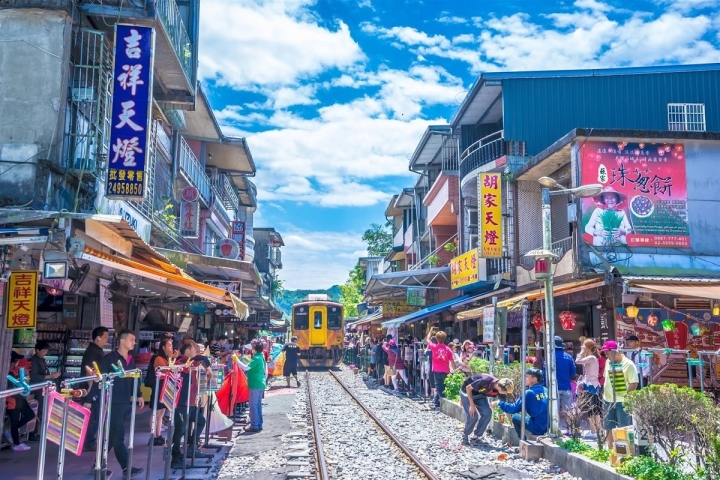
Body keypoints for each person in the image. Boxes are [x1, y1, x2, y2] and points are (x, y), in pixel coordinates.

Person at [95, 329, 144, 478]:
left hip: (124, 402)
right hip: (112, 401)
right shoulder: (109, 359)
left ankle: (97, 464)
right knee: (118, 436)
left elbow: (134, 377)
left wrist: (139, 395)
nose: (134, 343)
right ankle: (126, 467)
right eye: (131, 339)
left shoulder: (130, 359)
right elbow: (99, 379)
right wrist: (91, 400)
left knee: (111, 436)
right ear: (122, 341)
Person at [171, 342, 211, 469]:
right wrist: (208, 367)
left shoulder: (190, 362)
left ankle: (192, 447)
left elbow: (201, 359)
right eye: (195, 349)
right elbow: (202, 358)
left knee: (201, 421)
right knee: (179, 430)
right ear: (188, 351)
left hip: (190, 403)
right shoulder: (181, 362)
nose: (197, 352)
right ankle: (175, 458)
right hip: (181, 403)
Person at [601, 340, 638, 449]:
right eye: (605, 353)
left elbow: (634, 383)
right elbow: (605, 378)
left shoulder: (629, 364)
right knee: (608, 427)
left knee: (623, 427)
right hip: (607, 399)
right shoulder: (608, 362)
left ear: (615, 351)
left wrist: (626, 398)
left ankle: (625, 452)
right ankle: (611, 451)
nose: (606, 355)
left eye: (607, 353)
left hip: (622, 401)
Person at [491, 368, 548, 438]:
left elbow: (513, 409)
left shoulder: (529, 393)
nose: (524, 378)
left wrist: (499, 402)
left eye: (527, 376)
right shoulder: (546, 390)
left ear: (534, 379)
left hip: (538, 428)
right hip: (548, 427)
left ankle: (523, 441)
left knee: (515, 417)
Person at [460, 373, 514, 445]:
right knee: (473, 415)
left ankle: (475, 438)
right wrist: (472, 405)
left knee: (487, 413)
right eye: (506, 392)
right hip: (467, 393)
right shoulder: (485, 380)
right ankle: (465, 436)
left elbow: (505, 406)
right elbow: (468, 388)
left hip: (480, 395)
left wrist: (511, 424)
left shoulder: (501, 390)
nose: (506, 393)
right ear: (499, 388)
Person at [80, 326, 109, 451]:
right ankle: (89, 441)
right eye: (105, 337)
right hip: (92, 389)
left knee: (95, 417)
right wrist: (90, 396)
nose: (106, 340)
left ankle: (90, 440)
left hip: (96, 389)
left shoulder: (97, 350)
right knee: (93, 418)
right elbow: (90, 373)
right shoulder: (93, 351)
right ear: (98, 338)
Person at [29, 340, 60, 441]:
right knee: (37, 409)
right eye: (43, 351)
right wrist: (50, 376)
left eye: (46, 351)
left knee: (41, 409)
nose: (45, 353)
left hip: (42, 388)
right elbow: (34, 376)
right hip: (37, 388)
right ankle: (32, 432)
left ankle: (36, 431)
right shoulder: (34, 360)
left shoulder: (42, 360)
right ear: (37, 350)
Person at [4, 352, 36, 451]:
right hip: (13, 401)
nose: (18, 362)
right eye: (17, 361)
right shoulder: (8, 373)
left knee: (30, 415)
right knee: (14, 422)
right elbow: (11, 390)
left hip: (21, 399)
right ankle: (16, 444)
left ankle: (10, 431)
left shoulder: (15, 372)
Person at [147, 338, 173, 446]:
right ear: (163, 347)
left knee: (161, 412)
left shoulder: (165, 358)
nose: (171, 348)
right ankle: (153, 435)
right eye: (169, 346)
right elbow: (166, 370)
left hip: (164, 386)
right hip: (159, 386)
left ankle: (158, 435)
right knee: (156, 412)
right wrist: (171, 359)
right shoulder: (158, 358)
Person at [575, 339, 602, 437]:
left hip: (591, 385)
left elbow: (577, 361)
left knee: (592, 409)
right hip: (592, 384)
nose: (582, 347)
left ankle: (594, 432)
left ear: (587, 347)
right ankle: (597, 431)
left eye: (583, 346)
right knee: (595, 409)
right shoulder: (593, 357)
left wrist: (581, 351)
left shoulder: (591, 357)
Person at [425, 329, 456, 408]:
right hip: (446, 371)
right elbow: (452, 362)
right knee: (442, 387)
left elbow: (427, 339)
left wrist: (430, 331)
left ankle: (441, 404)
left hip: (436, 371)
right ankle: (435, 402)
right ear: (445, 338)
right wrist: (455, 371)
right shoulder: (448, 349)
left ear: (436, 338)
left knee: (439, 387)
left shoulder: (434, 347)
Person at [553, 336, 577, 430]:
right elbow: (573, 374)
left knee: (555, 410)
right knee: (568, 410)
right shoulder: (569, 357)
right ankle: (570, 430)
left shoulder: (551, 357)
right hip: (566, 387)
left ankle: (556, 430)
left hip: (554, 387)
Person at [245, 342, 267, 433]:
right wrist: (247, 360)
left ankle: (254, 425)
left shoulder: (257, 357)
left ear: (255, 349)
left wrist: (237, 361)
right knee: (257, 405)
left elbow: (245, 368)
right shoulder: (260, 357)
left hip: (255, 384)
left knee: (253, 406)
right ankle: (259, 424)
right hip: (260, 383)